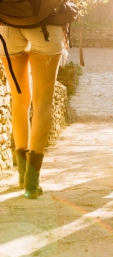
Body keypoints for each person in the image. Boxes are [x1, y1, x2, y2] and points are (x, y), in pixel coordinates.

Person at [0, 23, 65, 198]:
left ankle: (22, 175)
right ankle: (31, 182)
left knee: (19, 100)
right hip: (45, 26)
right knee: (43, 102)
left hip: (7, 26)